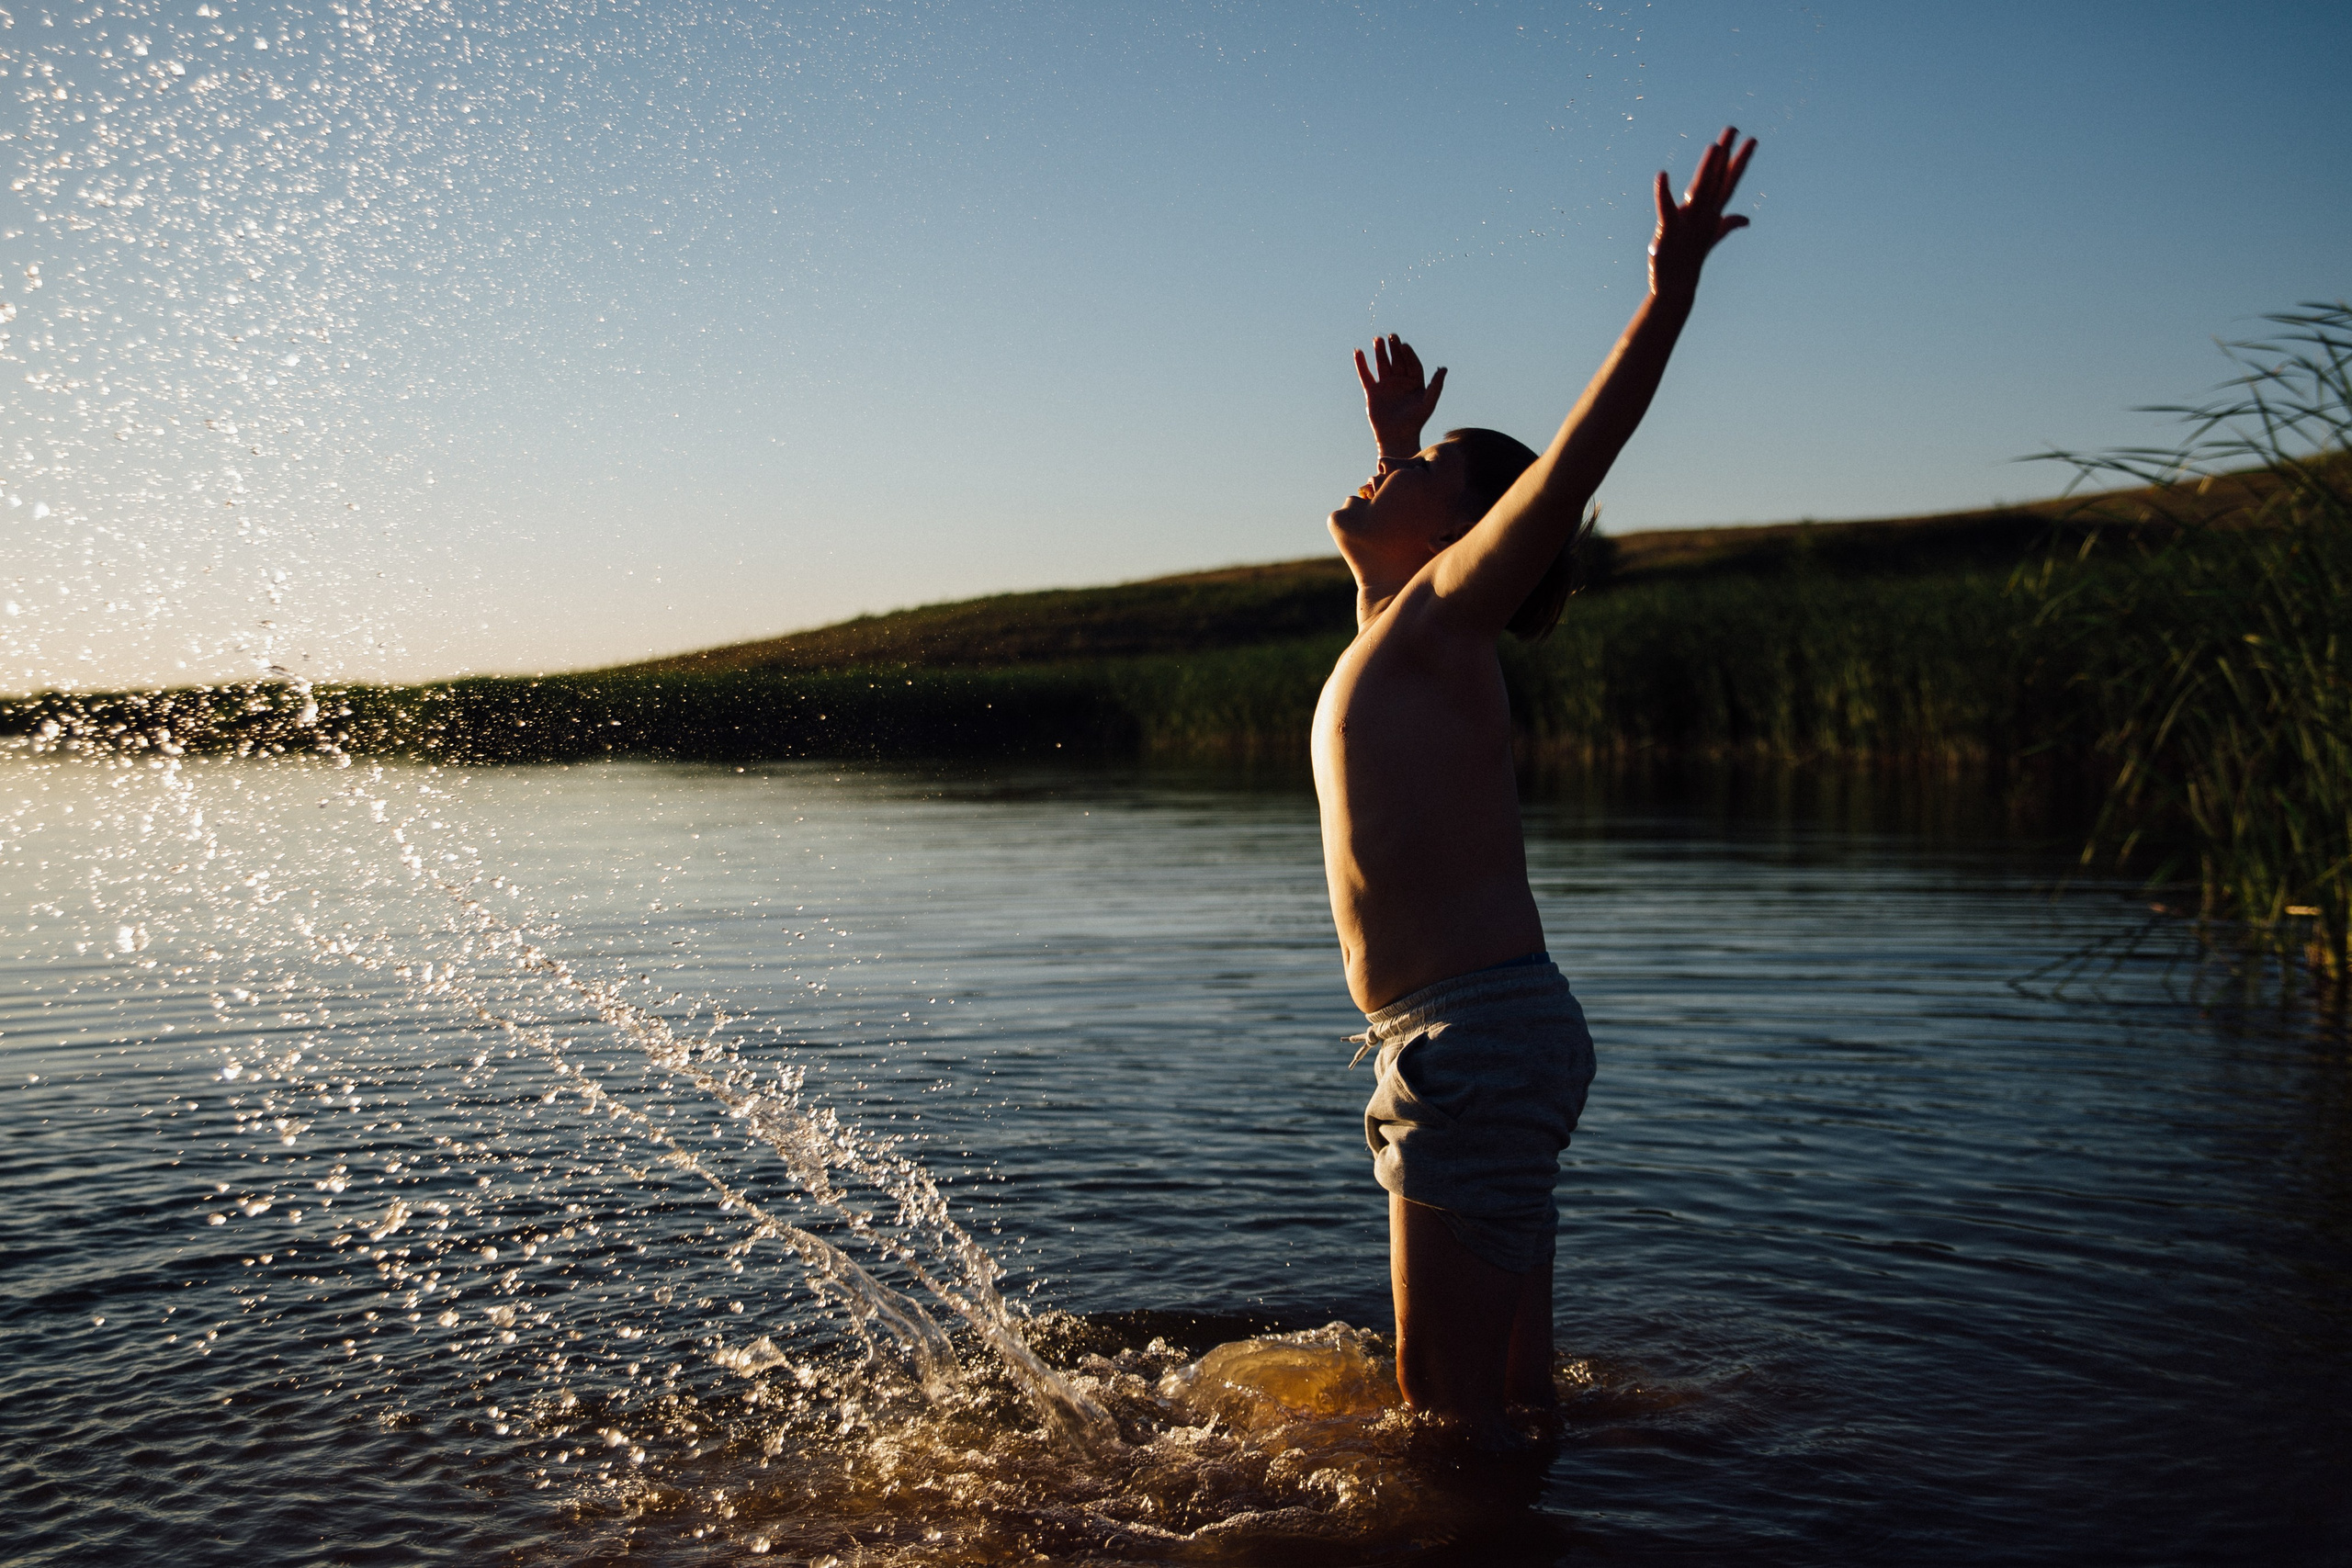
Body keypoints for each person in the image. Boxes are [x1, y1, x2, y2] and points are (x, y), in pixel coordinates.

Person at [1313, 126, 1758, 1440]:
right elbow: (1381, 563)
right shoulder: (1403, 624)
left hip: (1476, 1042)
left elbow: (1566, 470)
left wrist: (1666, 301)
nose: (1381, 474)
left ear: (1466, 537)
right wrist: (1401, 438)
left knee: (1439, 1416)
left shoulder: (1450, 616)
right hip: (1474, 1036)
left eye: (1419, 473)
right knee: (1512, 1401)